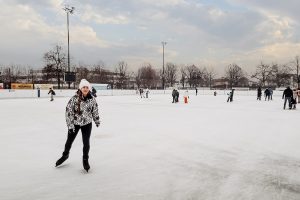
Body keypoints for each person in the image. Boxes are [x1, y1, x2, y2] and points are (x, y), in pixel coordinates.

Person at [55, 79, 100, 172]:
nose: (85, 89)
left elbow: (95, 110)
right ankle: (65, 155)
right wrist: (70, 126)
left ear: (89, 89)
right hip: (75, 124)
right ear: (80, 88)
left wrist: (96, 120)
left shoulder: (92, 99)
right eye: (84, 87)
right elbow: (68, 112)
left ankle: (85, 160)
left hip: (87, 124)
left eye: (87, 87)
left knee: (86, 143)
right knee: (69, 141)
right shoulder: (74, 99)